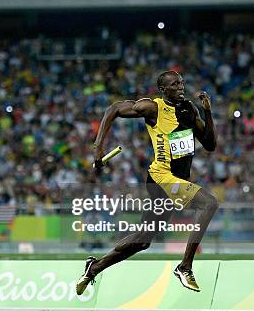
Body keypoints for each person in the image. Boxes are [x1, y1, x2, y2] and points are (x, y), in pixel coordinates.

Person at [76, 70, 218, 294]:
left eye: (182, 83)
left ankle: (94, 268)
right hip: (162, 177)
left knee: (143, 240)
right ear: (163, 90)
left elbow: (210, 144)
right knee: (209, 203)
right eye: (174, 84)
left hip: (177, 180)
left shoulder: (189, 109)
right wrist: (98, 147)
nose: (181, 87)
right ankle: (185, 266)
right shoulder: (153, 108)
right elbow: (113, 109)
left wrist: (208, 113)